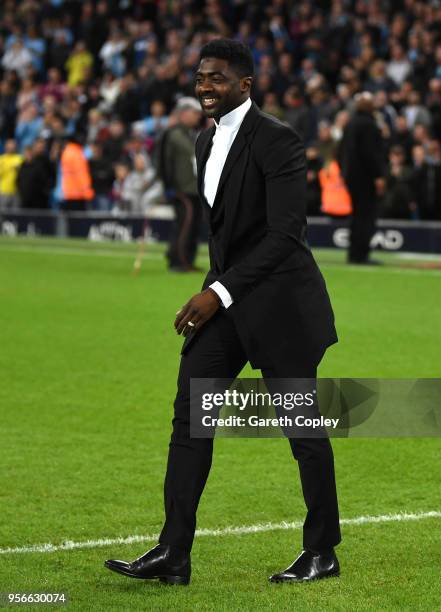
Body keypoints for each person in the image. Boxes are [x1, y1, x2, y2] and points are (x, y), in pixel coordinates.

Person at [105, 39, 340, 586]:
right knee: (191, 415)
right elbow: (226, 237)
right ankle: (173, 552)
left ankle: (322, 551)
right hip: (232, 301)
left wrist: (219, 292)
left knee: (301, 430)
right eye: (200, 76)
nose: (204, 86)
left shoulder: (279, 141)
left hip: (282, 306)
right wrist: (217, 289)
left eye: (215, 78)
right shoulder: (203, 141)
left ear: (245, 85)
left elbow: (285, 235)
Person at [339, 92, 385, 264]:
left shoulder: (350, 124)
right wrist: (379, 175)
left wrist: (345, 173)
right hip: (366, 178)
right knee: (366, 216)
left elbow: (341, 151)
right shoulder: (369, 125)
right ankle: (362, 255)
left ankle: (353, 254)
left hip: (351, 178)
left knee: (356, 215)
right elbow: (371, 154)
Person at [159, 96, 203, 271]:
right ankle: (178, 261)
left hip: (193, 188)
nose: (198, 116)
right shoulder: (173, 134)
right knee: (185, 225)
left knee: (192, 225)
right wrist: (169, 186)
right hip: (182, 189)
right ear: (183, 113)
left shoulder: (190, 134)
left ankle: (185, 260)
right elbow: (164, 161)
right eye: (195, 113)